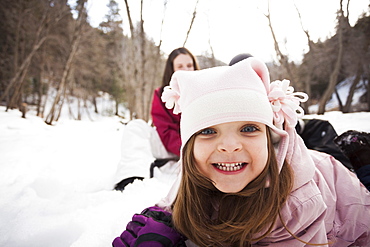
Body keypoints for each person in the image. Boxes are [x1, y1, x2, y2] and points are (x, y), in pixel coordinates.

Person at [112, 58, 370, 246]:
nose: (229, 145)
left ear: (271, 138)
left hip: (341, 190)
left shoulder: (297, 201)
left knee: (327, 143)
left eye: (248, 128)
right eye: (208, 131)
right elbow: (183, 191)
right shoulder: (204, 165)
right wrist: (165, 220)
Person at [113, 48, 199, 191]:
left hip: (198, 147)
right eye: (180, 66)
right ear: (172, 70)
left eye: (189, 66)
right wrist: (182, 148)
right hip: (172, 145)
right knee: (136, 126)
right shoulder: (161, 94)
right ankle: (131, 179)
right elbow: (163, 128)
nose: (186, 70)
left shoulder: (205, 91)